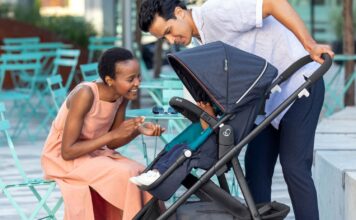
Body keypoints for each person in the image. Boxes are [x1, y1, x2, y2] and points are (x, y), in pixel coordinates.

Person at [138, 1, 335, 219]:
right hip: (268, 103)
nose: (170, 40)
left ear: (179, 12)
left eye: (168, 31)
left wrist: (310, 44)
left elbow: (273, 3)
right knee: (256, 169)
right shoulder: (201, 46)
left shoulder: (216, 12)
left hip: (300, 85)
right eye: (163, 39)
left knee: (294, 167)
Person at [41, 47, 165, 220]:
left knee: (142, 172)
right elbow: (67, 151)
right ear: (110, 80)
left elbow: (113, 143)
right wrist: (113, 135)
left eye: (138, 76)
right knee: (127, 174)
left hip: (94, 153)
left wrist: (138, 131)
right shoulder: (85, 94)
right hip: (64, 159)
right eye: (131, 79)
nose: (137, 83)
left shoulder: (121, 95)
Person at [130, 101, 215, 186]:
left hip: (208, 153)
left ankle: (158, 173)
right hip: (201, 146)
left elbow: (209, 130)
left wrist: (207, 116)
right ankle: (154, 172)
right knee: (176, 147)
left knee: (181, 151)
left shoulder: (218, 123)